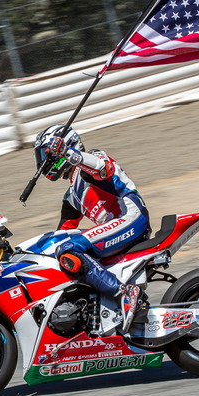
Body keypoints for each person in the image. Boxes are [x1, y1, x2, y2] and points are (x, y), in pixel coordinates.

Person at [34, 124, 151, 333]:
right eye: (43, 155)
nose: (45, 160)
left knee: (69, 250)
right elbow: (60, 234)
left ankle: (124, 294)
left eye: (47, 153)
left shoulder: (89, 161)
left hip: (131, 217)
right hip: (118, 230)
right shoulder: (71, 196)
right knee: (63, 253)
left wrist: (68, 154)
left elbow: (102, 169)